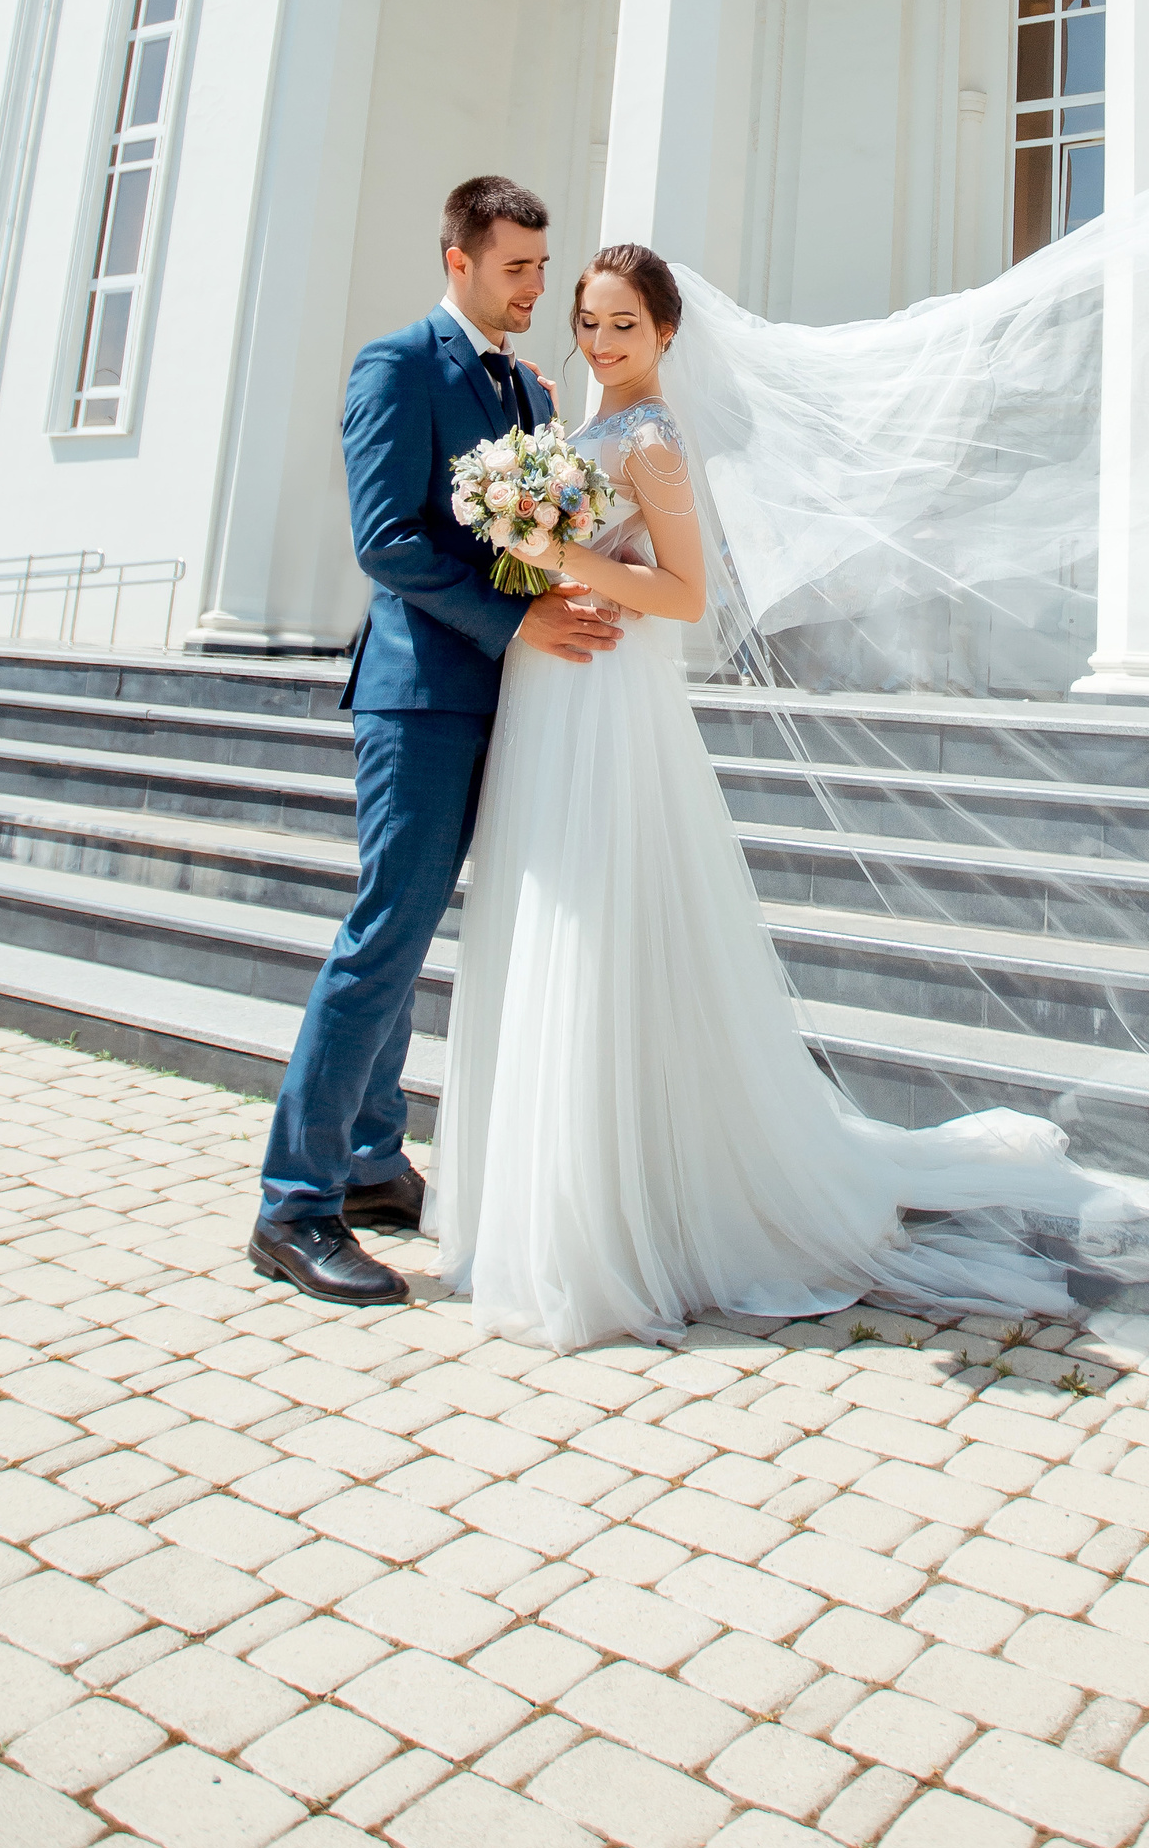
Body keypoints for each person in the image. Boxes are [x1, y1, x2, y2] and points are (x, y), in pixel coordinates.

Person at [435, 240, 1072, 1349]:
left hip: (609, 699)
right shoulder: (576, 431)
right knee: (548, 914)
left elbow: (684, 595)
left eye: (624, 324)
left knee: (603, 921)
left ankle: (613, 1226)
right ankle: (537, 1203)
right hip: (549, 685)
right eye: (589, 321)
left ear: (668, 333)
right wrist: (525, 555)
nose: (602, 341)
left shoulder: (653, 438)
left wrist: (554, 551)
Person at [249, 176, 623, 1306]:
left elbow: (521, 526)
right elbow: (386, 538)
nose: (536, 288)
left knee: (413, 939)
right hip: (417, 697)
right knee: (383, 937)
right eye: (516, 268)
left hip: (504, 694)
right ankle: (292, 1207)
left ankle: (369, 1164)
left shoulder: (523, 384)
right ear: (458, 261)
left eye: (541, 268)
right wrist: (519, 620)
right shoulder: (397, 365)